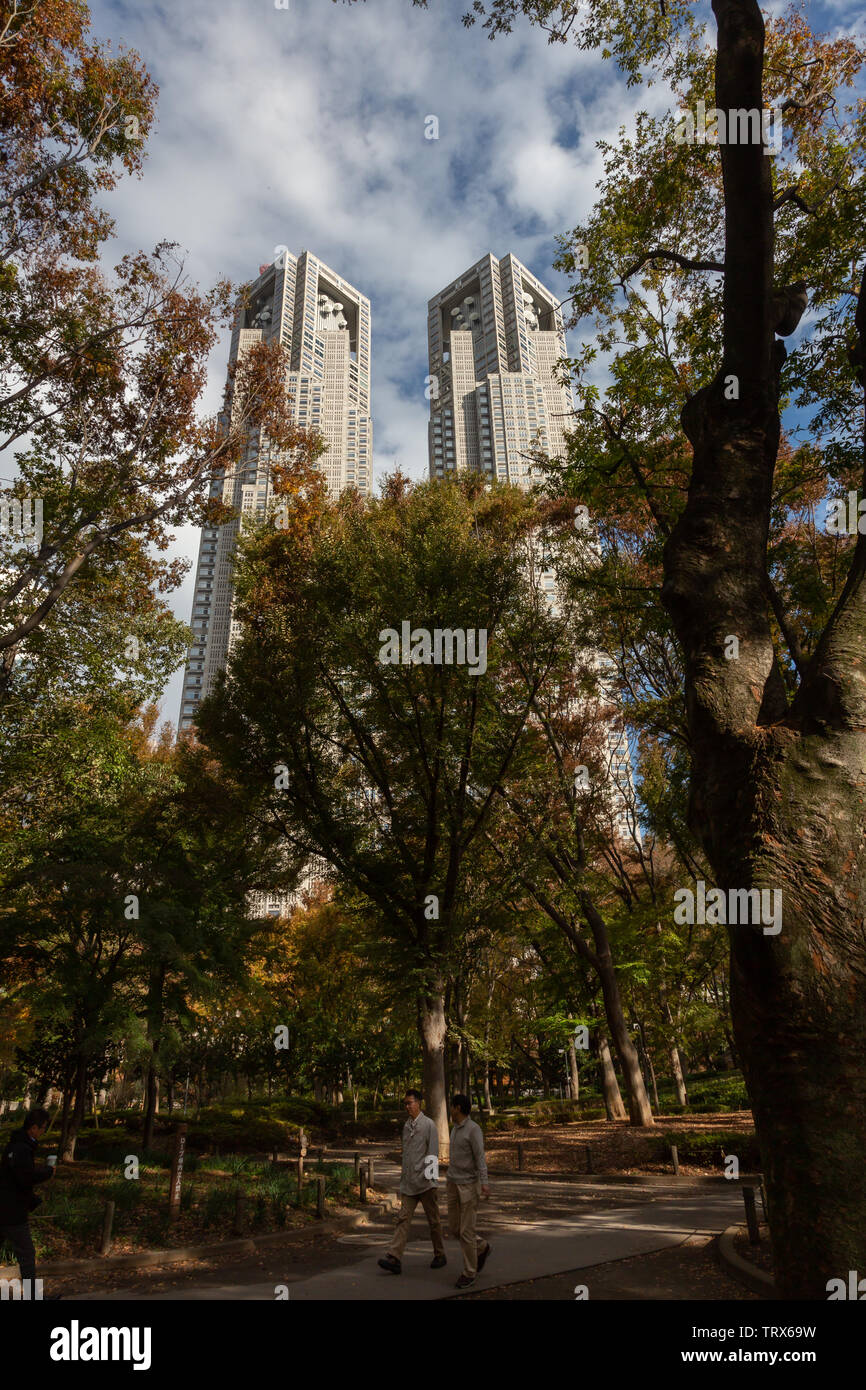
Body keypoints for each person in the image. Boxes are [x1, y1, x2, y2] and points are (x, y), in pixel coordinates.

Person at [378, 1089, 446, 1275]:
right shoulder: (406, 1126)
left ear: (419, 1103)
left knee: (434, 1221)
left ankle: (440, 1254)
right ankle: (395, 1257)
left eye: (410, 1103)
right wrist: (403, 1179)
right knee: (403, 1219)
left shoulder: (429, 1125)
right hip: (409, 1184)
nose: (407, 1106)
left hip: (425, 1183)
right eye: (405, 1103)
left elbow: (433, 1153)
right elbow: (406, 1154)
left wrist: (432, 1181)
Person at [0, 1107, 55, 1298]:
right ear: (33, 1128)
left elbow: (13, 1179)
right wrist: (48, 1172)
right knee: (27, 1254)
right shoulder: (22, 1148)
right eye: (43, 1128)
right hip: (13, 1212)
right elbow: (25, 1177)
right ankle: (33, 1296)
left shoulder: (14, 1145)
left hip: (4, 1206)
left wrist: (32, 1199)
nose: (43, 1132)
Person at [446, 1093, 491, 1289]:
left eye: (452, 1105)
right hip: (453, 1183)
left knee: (466, 1231)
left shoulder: (473, 1130)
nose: (450, 1108)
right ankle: (482, 1247)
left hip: (469, 1185)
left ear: (458, 1108)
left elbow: (480, 1157)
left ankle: (469, 1273)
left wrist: (484, 1182)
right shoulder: (454, 1129)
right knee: (455, 1228)